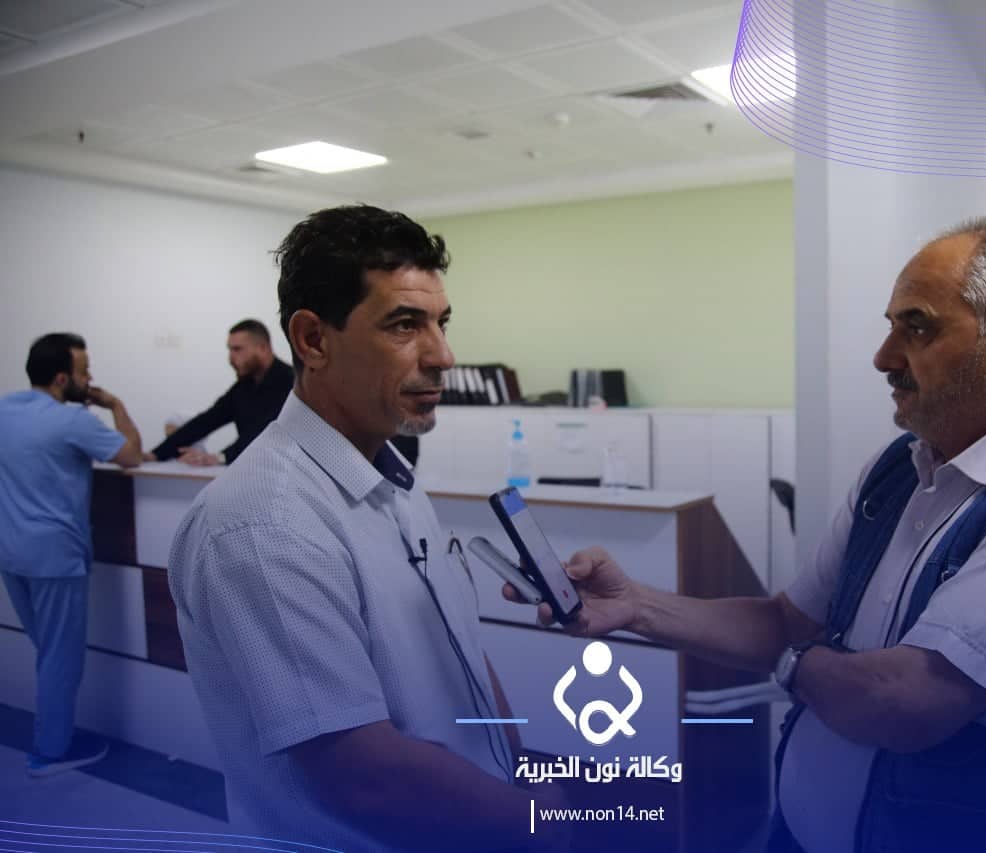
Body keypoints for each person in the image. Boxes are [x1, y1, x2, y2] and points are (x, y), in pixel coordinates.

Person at [509, 218, 986, 853]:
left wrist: (794, 664)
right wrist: (635, 605)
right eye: (890, 326)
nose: (883, 358)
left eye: (917, 328)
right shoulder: (899, 469)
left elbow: (902, 701)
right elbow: (784, 621)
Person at [167, 205, 567, 852]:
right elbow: (363, 777)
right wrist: (535, 824)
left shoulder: (392, 478)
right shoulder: (265, 525)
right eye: (404, 325)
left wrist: (518, 775)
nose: (443, 355)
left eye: (440, 323)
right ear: (313, 340)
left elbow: (461, 653)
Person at [0, 333, 144, 775]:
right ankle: (51, 751)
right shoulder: (72, 421)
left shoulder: (5, 410)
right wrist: (115, 404)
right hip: (56, 557)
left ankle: (51, 736)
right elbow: (131, 456)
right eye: (84, 370)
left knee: (48, 651)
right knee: (59, 658)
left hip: (11, 554)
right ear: (62, 378)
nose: (90, 378)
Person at [147, 319, 292, 466]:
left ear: (262, 348)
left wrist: (220, 457)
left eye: (237, 349)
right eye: (230, 349)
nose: (231, 357)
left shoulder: (290, 382)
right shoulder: (244, 387)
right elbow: (207, 421)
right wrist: (155, 454)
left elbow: (264, 433)